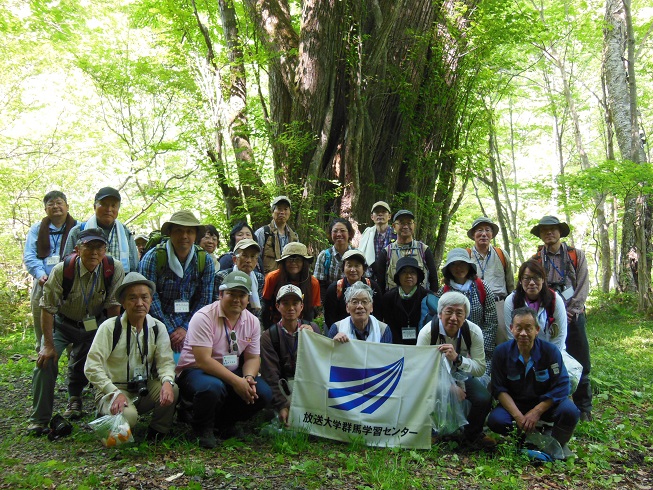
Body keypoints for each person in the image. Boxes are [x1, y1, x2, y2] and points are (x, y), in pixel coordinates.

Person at [28, 228, 125, 434]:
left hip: (95, 325)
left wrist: (113, 342)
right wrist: (47, 344)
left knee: (96, 361)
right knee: (45, 362)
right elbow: (47, 307)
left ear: (105, 249)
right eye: (88, 247)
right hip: (64, 324)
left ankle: (83, 402)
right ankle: (39, 420)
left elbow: (114, 307)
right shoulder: (63, 270)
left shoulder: (113, 268)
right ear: (78, 249)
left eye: (99, 247)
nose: (94, 252)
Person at [176, 271, 273, 448]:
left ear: (248, 298)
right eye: (231, 294)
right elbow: (203, 360)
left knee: (263, 393)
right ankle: (201, 427)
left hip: (230, 370)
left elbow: (252, 357)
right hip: (196, 370)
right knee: (212, 387)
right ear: (221, 294)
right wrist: (237, 381)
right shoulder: (204, 317)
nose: (237, 299)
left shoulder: (252, 321)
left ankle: (224, 423)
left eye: (242, 295)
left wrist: (248, 378)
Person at [84, 272, 179, 440]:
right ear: (123, 302)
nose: (139, 303)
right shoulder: (110, 328)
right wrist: (113, 392)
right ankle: (109, 415)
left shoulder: (157, 328)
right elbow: (91, 366)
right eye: (132, 298)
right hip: (113, 388)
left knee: (173, 389)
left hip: (142, 388)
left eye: (144, 297)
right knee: (129, 418)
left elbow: (166, 362)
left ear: (151, 299)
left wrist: (167, 381)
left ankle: (158, 430)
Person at [487, 306, 580, 458]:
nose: (523, 333)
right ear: (511, 329)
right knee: (496, 420)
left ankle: (556, 444)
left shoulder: (550, 351)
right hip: (517, 405)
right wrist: (518, 416)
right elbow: (499, 389)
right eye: (518, 328)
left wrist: (536, 411)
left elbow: (563, 385)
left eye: (528, 328)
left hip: (545, 406)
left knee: (570, 411)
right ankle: (525, 440)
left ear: (537, 329)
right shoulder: (501, 352)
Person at [530, 215, 592, 421]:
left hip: (574, 315)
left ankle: (584, 407)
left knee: (581, 358)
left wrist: (572, 311)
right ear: (540, 234)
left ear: (560, 232)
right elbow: (531, 287)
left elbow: (583, 285)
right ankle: (552, 402)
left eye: (553, 229)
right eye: (544, 230)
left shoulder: (576, 255)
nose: (549, 233)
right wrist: (551, 311)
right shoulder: (536, 260)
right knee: (549, 357)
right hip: (548, 317)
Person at [416, 291, 494, 447]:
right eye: (449, 312)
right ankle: (431, 431)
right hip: (433, 378)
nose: (453, 318)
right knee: (425, 394)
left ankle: (472, 434)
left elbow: (480, 368)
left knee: (483, 398)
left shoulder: (473, 332)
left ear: (465, 316)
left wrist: (458, 359)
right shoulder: (427, 333)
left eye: (459, 313)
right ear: (439, 314)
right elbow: (421, 371)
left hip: (461, 375)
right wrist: (448, 387)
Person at [138, 211, 215, 354]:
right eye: (179, 230)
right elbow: (148, 297)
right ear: (170, 233)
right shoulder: (153, 257)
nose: (184, 236)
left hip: (191, 325)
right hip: (156, 323)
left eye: (189, 231)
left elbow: (205, 299)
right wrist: (169, 330)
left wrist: (186, 327)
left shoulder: (205, 260)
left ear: (195, 235)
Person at [24, 191, 77, 352]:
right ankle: (43, 354)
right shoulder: (37, 229)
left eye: (59, 202)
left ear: (67, 206)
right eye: (51, 204)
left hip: (71, 285)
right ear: (45, 209)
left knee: (72, 326)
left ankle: (73, 367)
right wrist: (40, 275)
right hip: (43, 283)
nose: (55, 206)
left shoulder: (78, 227)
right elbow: (30, 255)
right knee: (41, 321)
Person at [260, 285, 321, 426]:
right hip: (283, 385)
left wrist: (314, 339)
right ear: (277, 306)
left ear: (301, 306)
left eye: (295, 303)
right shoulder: (269, 336)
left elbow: (321, 364)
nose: (291, 308)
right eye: (285, 303)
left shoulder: (313, 328)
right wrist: (282, 405)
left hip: (307, 385)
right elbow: (270, 375)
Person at [438, 248, 498, 384]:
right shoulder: (443, 292)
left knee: (480, 385)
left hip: (479, 349)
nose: (458, 268)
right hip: (451, 350)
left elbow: (491, 321)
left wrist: (478, 347)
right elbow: (440, 322)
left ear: (469, 266)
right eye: (454, 264)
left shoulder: (482, 287)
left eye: (462, 263)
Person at [63, 187, 139, 272]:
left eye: (113, 205)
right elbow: (66, 263)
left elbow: (134, 266)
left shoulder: (125, 233)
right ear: (95, 207)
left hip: (120, 282)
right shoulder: (79, 231)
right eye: (104, 204)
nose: (109, 209)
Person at [466, 217, 514, 343]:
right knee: (474, 341)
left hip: (499, 303)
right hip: (472, 304)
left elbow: (510, 284)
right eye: (479, 230)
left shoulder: (501, 254)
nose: (483, 234)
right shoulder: (466, 256)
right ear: (473, 235)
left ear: (492, 235)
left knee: (503, 340)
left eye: (487, 230)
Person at [504, 260, 567, 352]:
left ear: (543, 279)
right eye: (527, 278)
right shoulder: (511, 301)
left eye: (536, 277)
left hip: (551, 352)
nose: (532, 282)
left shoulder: (555, 300)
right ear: (520, 281)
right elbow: (511, 336)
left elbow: (560, 336)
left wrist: (552, 358)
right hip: (521, 353)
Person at [372, 209, 438, 293]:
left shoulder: (424, 250)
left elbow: (433, 280)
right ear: (394, 226)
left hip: (420, 302)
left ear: (414, 225)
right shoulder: (386, 252)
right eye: (401, 223)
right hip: (393, 302)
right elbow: (380, 283)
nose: (405, 226)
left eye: (409, 223)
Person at [260, 242, 321, 327]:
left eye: (298, 260)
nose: (293, 263)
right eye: (290, 260)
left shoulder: (313, 283)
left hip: (301, 324)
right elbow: (266, 306)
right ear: (284, 262)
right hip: (275, 323)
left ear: (304, 262)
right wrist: (269, 329)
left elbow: (310, 310)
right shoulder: (272, 278)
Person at [323, 250, 383, 329]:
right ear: (343, 268)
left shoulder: (372, 286)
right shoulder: (334, 289)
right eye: (349, 265)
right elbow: (329, 316)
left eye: (357, 265)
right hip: (341, 333)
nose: (353, 270)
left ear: (363, 269)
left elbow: (379, 313)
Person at [382, 256, 433, 345]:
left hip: (422, 343)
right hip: (396, 344)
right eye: (404, 272)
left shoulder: (428, 296)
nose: (408, 275)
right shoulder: (388, 297)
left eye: (412, 272)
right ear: (398, 276)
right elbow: (389, 324)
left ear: (418, 276)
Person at [328, 282, 392, 343]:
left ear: (371, 307)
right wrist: (334, 345)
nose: (360, 306)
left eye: (364, 301)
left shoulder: (383, 330)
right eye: (355, 302)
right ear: (347, 307)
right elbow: (329, 353)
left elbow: (387, 354)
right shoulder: (337, 328)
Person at [215, 238, 265, 317]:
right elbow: (217, 304)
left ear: (256, 261)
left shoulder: (259, 278)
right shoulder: (223, 276)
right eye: (244, 256)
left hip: (250, 321)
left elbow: (258, 310)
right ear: (235, 259)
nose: (248, 260)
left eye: (252, 256)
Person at [255, 196, 299, 274]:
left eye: (285, 209)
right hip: (268, 281)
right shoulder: (263, 233)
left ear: (290, 212)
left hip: (288, 281)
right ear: (272, 212)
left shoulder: (294, 236)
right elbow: (255, 259)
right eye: (279, 209)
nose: (282, 212)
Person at [313, 218, 355, 301]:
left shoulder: (356, 255)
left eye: (342, 231)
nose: (339, 234)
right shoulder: (324, 256)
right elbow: (319, 284)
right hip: (331, 300)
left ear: (349, 233)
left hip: (354, 300)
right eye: (335, 231)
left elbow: (365, 279)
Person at [357, 201, 397, 270]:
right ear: (372, 217)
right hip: (370, 275)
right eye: (377, 212)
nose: (380, 214)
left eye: (384, 212)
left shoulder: (396, 234)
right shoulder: (367, 233)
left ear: (389, 216)